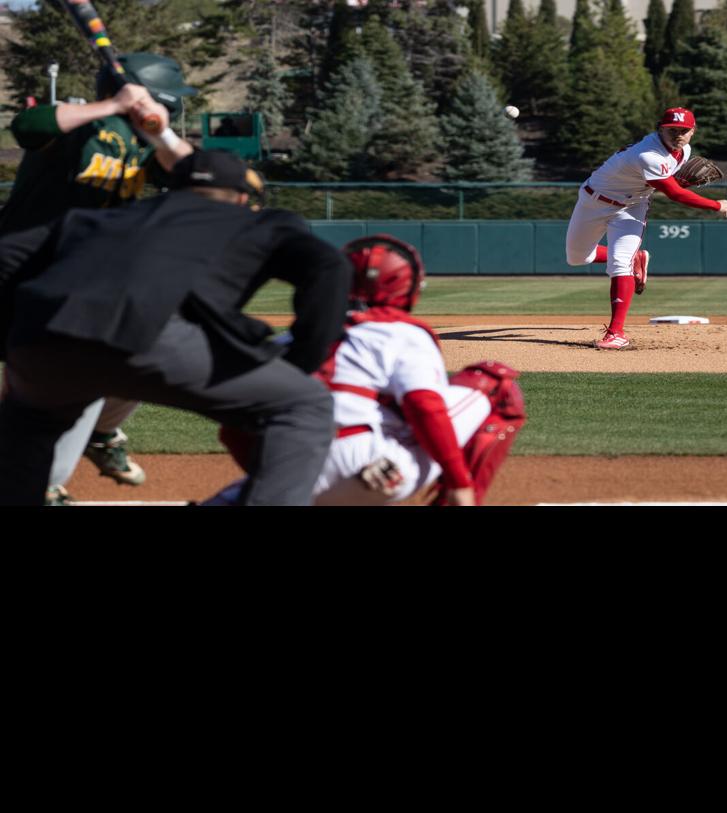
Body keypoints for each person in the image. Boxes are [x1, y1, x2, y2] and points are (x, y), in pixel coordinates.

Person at [0, 149, 347, 506]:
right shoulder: (255, 220)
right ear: (242, 196)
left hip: (40, 340)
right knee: (304, 404)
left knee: (29, 427)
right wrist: (303, 360)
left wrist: (16, 340)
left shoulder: (107, 216)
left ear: (173, 188)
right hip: (148, 335)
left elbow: (7, 256)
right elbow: (329, 266)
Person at [0, 52, 199, 501]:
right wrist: (111, 106)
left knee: (132, 349)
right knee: (29, 383)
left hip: (79, 282)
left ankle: (89, 440)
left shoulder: (147, 144)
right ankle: (32, 474)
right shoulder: (82, 128)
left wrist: (157, 128)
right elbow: (28, 126)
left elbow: (197, 175)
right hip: (19, 269)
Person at [202, 236, 528, 507]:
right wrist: (458, 482)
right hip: (372, 470)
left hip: (288, 472)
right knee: (495, 384)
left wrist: (271, 481)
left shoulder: (292, 339)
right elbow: (424, 407)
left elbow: (232, 429)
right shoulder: (400, 332)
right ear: (408, 285)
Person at [564, 107, 727, 350]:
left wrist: (673, 181)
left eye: (684, 130)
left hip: (632, 207)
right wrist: (715, 205)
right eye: (672, 130)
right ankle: (637, 259)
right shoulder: (648, 154)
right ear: (660, 129)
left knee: (618, 263)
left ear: (693, 132)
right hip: (593, 202)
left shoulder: (684, 151)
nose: (678, 135)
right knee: (577, 258)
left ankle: (616, 333)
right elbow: (675, 193)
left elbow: (667, 182)